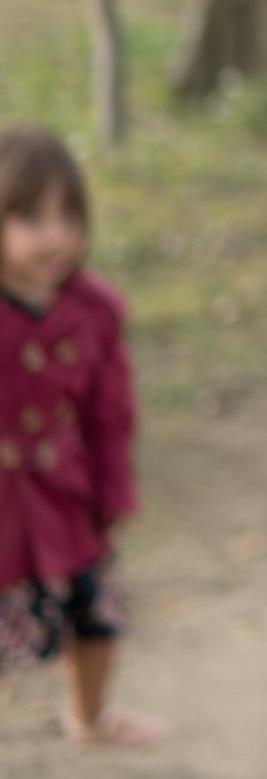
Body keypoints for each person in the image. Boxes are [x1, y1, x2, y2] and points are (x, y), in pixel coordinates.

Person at [0, 125, 163, 744]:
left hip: (65, 495)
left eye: (69, 216)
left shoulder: (93, 310)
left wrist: (114, 490)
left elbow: (110, 411)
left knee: (96, 613)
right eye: (31, 218)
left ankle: (89, 717)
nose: (56, 236)